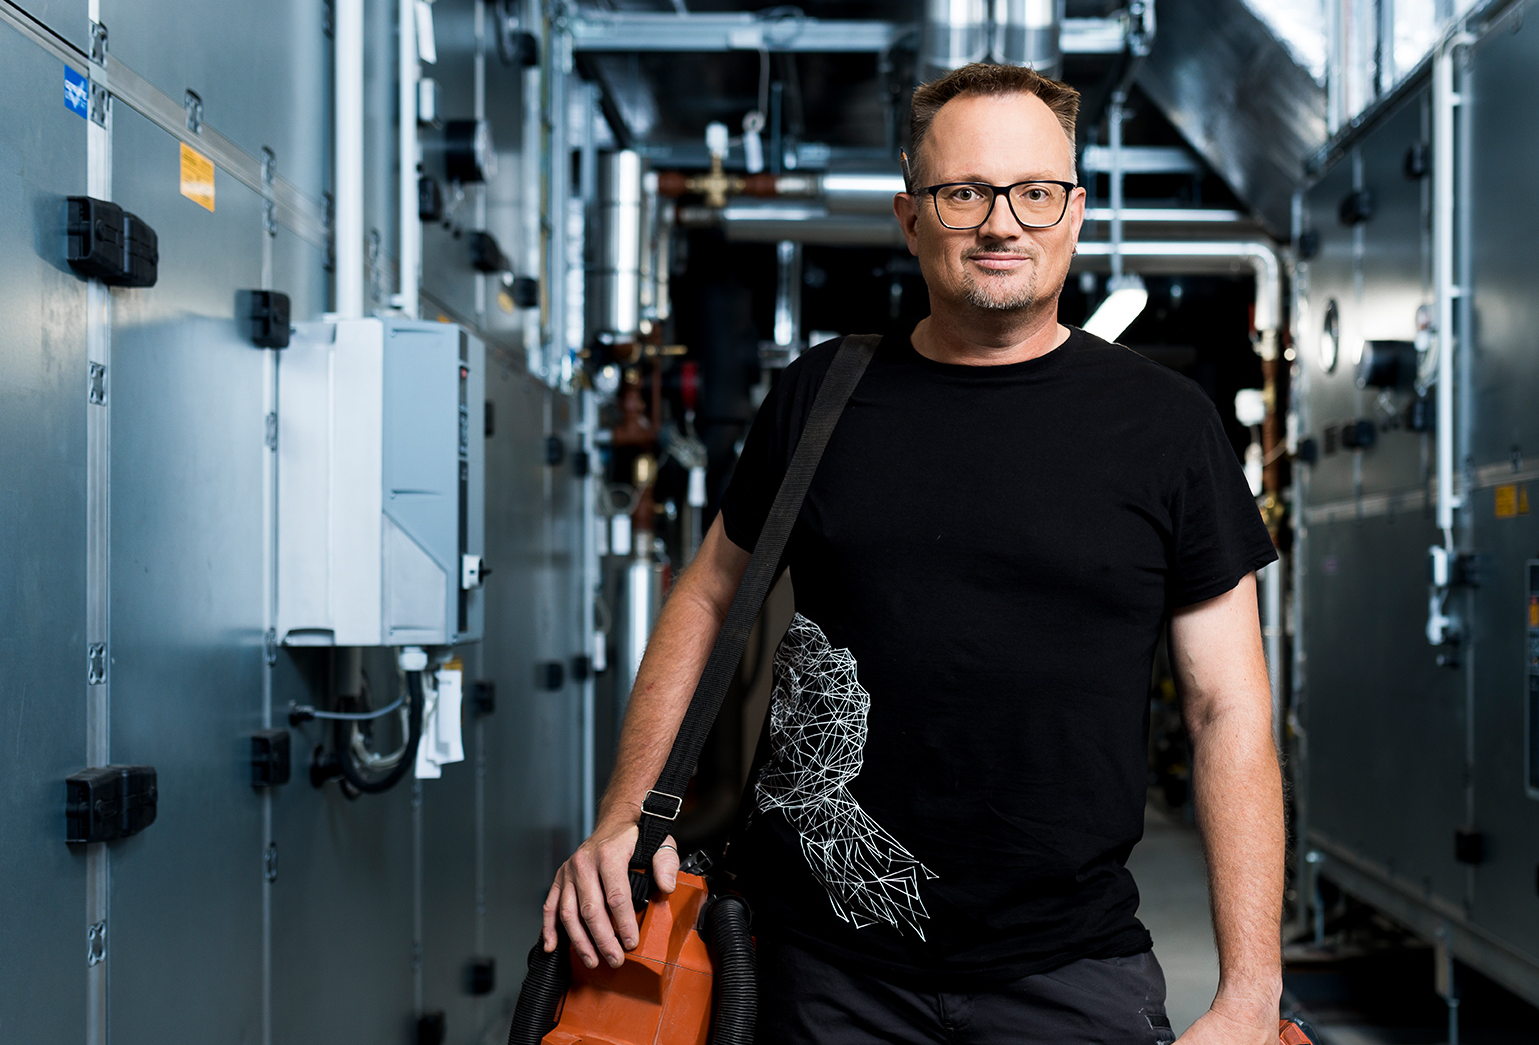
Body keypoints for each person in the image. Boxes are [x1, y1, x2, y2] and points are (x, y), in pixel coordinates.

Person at [542, 62, 1284, 1045]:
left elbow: (1229, 706)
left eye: (1034, 192)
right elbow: (708, 596)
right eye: (963, 191)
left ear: (1074, 212)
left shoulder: (1166, 428)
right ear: (911, 216)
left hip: (1070, 971)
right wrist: (627, 814)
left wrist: (1250, 989)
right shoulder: (822, 398)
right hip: (822, 972)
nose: (1001, 222)